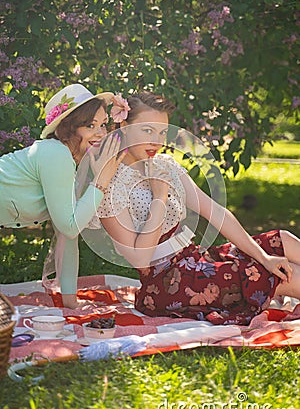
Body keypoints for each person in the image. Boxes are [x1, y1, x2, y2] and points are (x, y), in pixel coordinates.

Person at [98, 91, 300, 325]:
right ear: (123, 125)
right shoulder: (110, 185)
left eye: (162, 132)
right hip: (168, 286)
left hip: (195, 260)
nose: (157, 140)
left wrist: (264, 257)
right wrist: (160, 198)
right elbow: (140, 260)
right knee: (282, 277)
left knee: (282, 241)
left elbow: (216, 212)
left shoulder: (164, 165)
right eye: (147, 130)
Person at [0, 83, 126, 309]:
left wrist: (71, 305)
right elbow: (70, 227)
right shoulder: (55, 153)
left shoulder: (67, 160)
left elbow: (68, 237)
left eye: (103, 125)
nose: (100, 133)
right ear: (69, 129)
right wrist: (102, 179)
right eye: (90, 125)